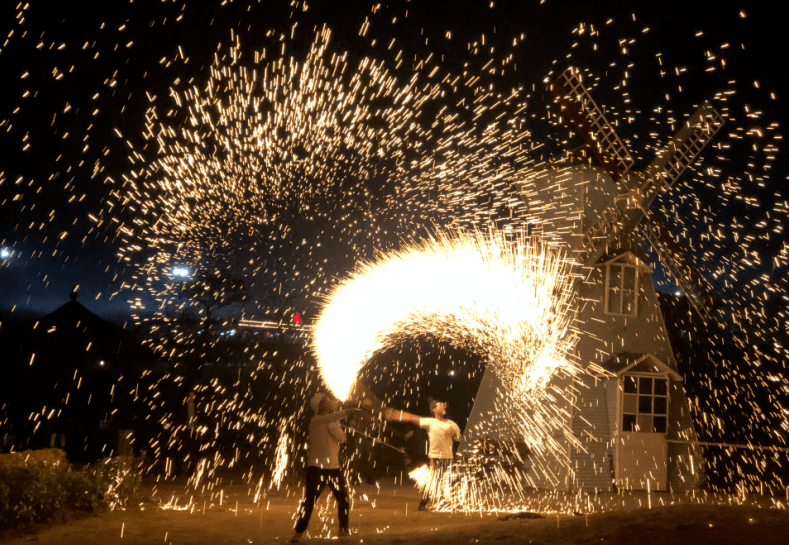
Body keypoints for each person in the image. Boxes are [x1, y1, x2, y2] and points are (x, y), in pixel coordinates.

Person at [292, 393, 360, 543]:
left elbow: (342, 439)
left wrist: (334, 428)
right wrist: (349, 411)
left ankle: (343, 529)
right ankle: (298, 532)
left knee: (343, 499)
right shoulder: (315, 420)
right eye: (327, 401)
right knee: (309, 502)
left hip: (334, 469)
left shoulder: (333, 421)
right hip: (316, 468)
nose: (330, 402)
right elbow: (330, 418)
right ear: (320, 405)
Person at [385, 399, 461, 511]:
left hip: (449, 457)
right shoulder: (430, 422)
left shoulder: (451, 424)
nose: (443, 406)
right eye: (440, 405)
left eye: (443, 405)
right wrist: (396, 414)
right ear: (434, 410)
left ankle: (448, 503)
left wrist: (454, 434)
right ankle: (423, 504)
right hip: (435, 457)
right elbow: (413, 418)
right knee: (433, 481)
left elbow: (459, 438)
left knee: (449, 481)